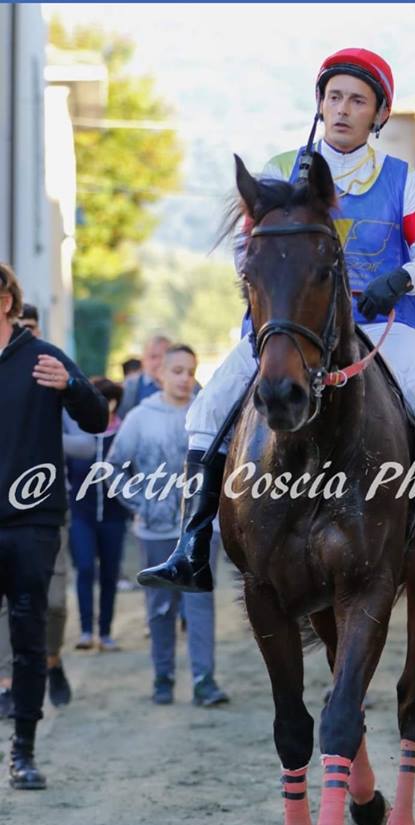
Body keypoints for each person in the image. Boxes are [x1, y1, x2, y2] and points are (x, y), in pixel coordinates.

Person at [139, 48, 415, 608]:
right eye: (334, 97)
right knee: (207, 409)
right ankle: (191, 546)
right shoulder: (280, 169)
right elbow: (249, 253)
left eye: (357, 100)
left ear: (378, 115)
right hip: (288, 332)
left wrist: (400, 279)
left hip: (382, 328)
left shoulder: (401, 179)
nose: (342, 109)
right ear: (320, 103)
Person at [0, 263, 108, 788]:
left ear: (6, 301)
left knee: (27, 635)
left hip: (31, 521)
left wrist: (70, 387)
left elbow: (95, 419)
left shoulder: (43, 358)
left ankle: (23, 751)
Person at [107, 344, 229, 706]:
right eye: (176, 371)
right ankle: (163, 676)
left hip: (203, 529)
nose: (184, 378)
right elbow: (113, 468)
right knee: (160, 606)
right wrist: (139, 503)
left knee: (200, 603)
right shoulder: (141, 417)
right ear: (160, 373)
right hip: (156, 529)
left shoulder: (209, 413)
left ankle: (204, 681)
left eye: (190, 371)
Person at [66, 377, 131, 652]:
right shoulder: (79, 436)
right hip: (81, 515)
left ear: (114, 403)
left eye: (106, 400)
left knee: (109, 573)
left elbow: (134, 474)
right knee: (83, 568)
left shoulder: (124, 435)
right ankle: (85, 631)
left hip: (115, 518)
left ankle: (105, 632)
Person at [117, 334, 171, 418]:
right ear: (143, 359)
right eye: (153, 357)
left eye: (164, 357)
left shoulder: (189, 386)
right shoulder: (130, 385)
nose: (159, 362)